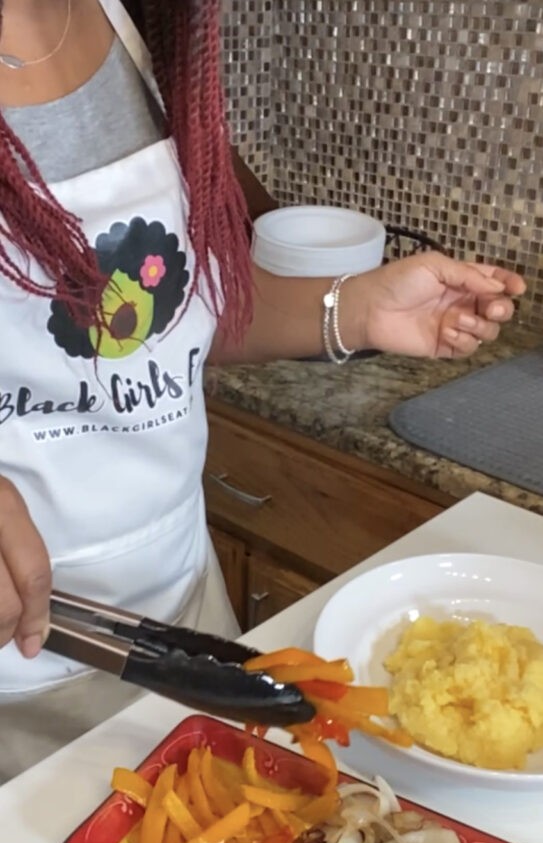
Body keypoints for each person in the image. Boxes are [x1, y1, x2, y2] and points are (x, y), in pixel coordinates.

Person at [0, 0, 525, 777]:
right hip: (22, 672)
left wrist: (353, 307)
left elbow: (164, 319)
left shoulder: (120, 20)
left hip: (179, 613)